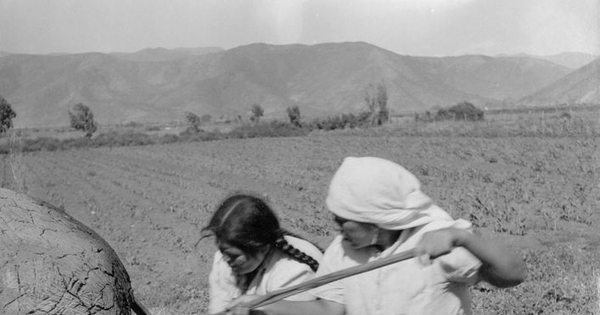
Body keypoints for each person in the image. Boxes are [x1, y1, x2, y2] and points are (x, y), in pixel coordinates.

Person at [225, 156, 528, 315]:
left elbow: (514, 274)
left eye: (344, 221)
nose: (337, 228)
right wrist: (263, 307)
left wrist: (463, 238)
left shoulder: (435, 239)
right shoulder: (342, 250)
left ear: (376, 220)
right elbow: (330, 309)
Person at [202, 193, 323, 314]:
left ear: (263, 248)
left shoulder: (294, 271)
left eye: (234, 256)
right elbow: (219, 308)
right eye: (222, 250)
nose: (225, 259)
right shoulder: (225, 259)